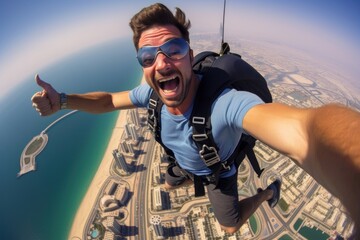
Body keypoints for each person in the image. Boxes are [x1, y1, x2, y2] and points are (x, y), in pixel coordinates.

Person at [31, 3, 359, 236]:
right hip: (182, 161)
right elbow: (109, 100)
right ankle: (184, 175)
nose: (161, 64)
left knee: (229, 226)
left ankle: (265, 194)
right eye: (148, 57)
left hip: (217, 173)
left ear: (189, 56)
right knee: (169, 180)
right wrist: (61, 100)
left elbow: (306, 135)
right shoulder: (151, 95)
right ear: (144, 67)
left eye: (173, 50)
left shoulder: (225, 106)